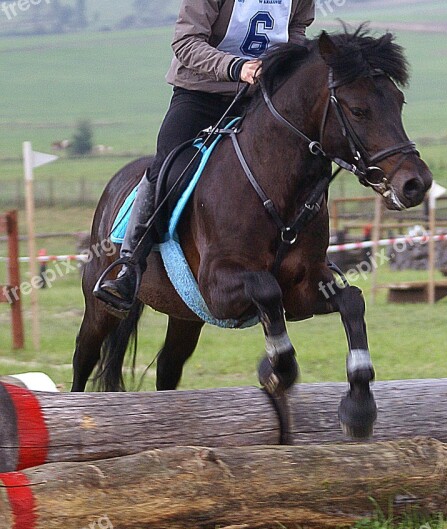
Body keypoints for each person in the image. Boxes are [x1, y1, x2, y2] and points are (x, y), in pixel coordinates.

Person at [97, 0, 316, 314]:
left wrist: (283, 67)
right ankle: (129, 266)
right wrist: (237, 68)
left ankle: (313, 260)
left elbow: (295, 30)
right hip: (201, 92)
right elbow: (185, 43)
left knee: (299, 161)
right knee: (170, 169)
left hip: (259, 96)